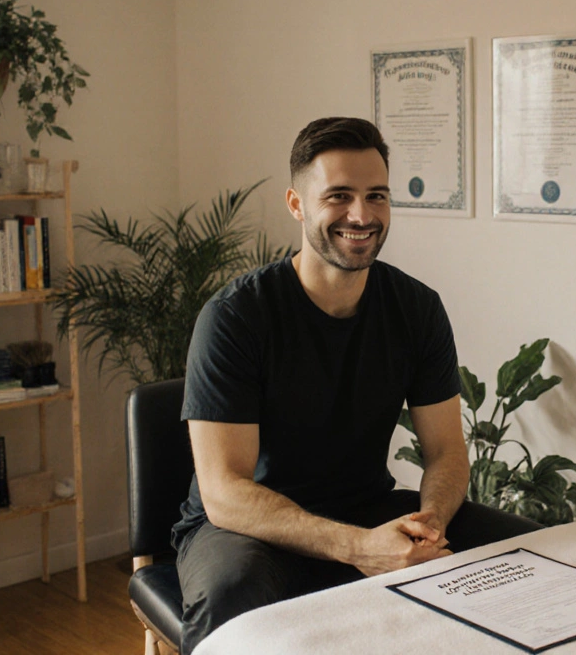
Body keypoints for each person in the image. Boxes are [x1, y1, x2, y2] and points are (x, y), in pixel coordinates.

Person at [172, 116, 539, 652]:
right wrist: (358, 548)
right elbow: (225, 493)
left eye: (377, 196)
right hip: (245, 527)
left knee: (521, 552)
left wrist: (430, 524)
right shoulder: (235, 316)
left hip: (365, 508)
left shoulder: (417, 308)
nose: (361, 215)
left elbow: (446, 452)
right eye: (339, 196)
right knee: (233, 590)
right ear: (297, 205)